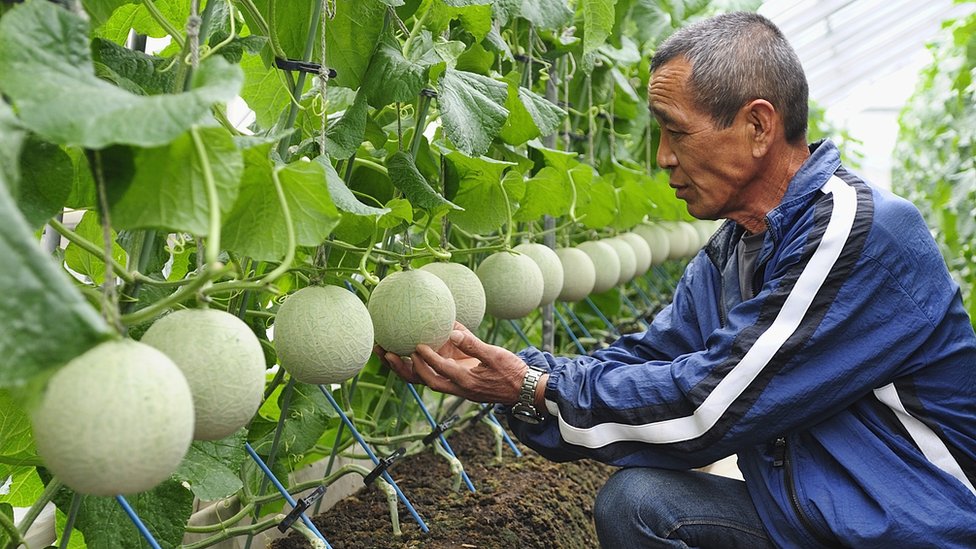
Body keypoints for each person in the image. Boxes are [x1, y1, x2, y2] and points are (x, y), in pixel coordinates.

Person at [379, 11, 976, 548]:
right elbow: (651, 358)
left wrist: (534, 388)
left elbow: (710, 405)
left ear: (759, 127)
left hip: (916, 525)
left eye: (676, 131)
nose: (663, 156)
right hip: (810, 520)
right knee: (640, 506)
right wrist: (520, 377)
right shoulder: (736, 248)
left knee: (643, 496)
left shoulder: (855, 230)